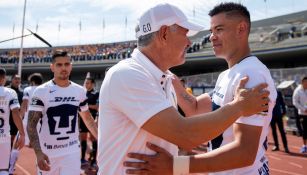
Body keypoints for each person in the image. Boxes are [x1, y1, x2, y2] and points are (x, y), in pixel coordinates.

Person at [97, 3, 270, 175]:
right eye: (185, 33)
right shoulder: (127, 74)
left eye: (219, 29)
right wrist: (239, 107)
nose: (189, 42)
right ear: (164, 33)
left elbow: (243, 150)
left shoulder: (158, 77)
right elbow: (185, 134)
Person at [27, 50, 98, 175]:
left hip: (71, 152)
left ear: (71, 66)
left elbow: (88, 119)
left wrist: (100, 139)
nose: (63, 68)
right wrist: (38, 153)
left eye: (67, 64)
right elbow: (31, 125)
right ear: (52, 67)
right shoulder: (41, 91)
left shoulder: (79, 91)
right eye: (59, 65)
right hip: (48, 153)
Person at [8, 73, 44, 175]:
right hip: (40, 123)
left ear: (32, 81)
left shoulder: (28, 90)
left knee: (16, 145)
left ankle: (10, 168)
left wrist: (19, 118)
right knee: (40, 147)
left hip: (27, 121)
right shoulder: (45, 90)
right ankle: (40, 170)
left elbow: (24, 105)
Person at [0, 68, 25, 175]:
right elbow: (15, 113)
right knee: (3, 170)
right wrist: (23, 133)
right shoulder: (10, 92)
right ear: (3, 79)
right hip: (3, 135)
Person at [79, 77, 99, 168]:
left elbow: (97, 106)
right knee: (82, 139)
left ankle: (94, 160)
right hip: (82, 120)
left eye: (88, 83)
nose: (86, 84)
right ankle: (82, 159)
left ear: (92, 84)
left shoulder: (96, 94)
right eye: (85, 83)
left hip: (92, 119)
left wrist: (85, 106)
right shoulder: (83, 93)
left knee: (93, 139)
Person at [7, 74, 23, 146]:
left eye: (19, 79)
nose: (17, 80)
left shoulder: (22, 93)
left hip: (16, 118)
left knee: (14, 139)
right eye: (15, 78)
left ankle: (11, 155)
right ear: (12, 80)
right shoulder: (6, 91)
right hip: (7, 117)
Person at [293, 76, 307, 153]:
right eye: (305, 82)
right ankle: (304, 146)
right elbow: (295, 102)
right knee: (305, 130)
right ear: (302, 82)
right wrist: (303, 109)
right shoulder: (297, 91)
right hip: (302, 114)